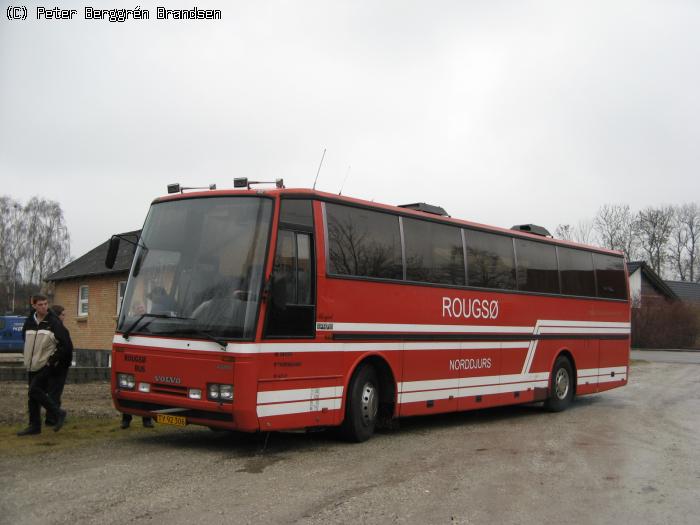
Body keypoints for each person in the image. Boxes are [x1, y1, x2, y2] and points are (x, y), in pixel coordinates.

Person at [17, 294, 72, 436]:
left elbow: (65, 345)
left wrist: (51, 361)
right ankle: (34, 426)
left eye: (46, 304)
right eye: (40, 304)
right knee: (32, 397)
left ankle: (58, 413)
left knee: (34, 390)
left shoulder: (54, 322)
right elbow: (26, 338)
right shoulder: (29, 322)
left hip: (45, 365)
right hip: (31, 364)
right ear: (33, 305)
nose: (44, 307)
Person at [44, 305, 73, 426]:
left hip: (54, 365)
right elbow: (64, 347)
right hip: (58, 366)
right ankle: (52, 418)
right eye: (63, 314)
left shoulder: (49, 326)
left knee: (53, 392)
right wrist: (54, 361)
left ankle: (52, 416)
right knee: (54, 392)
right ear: (57, 315)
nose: (64, 317)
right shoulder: (58, 328)